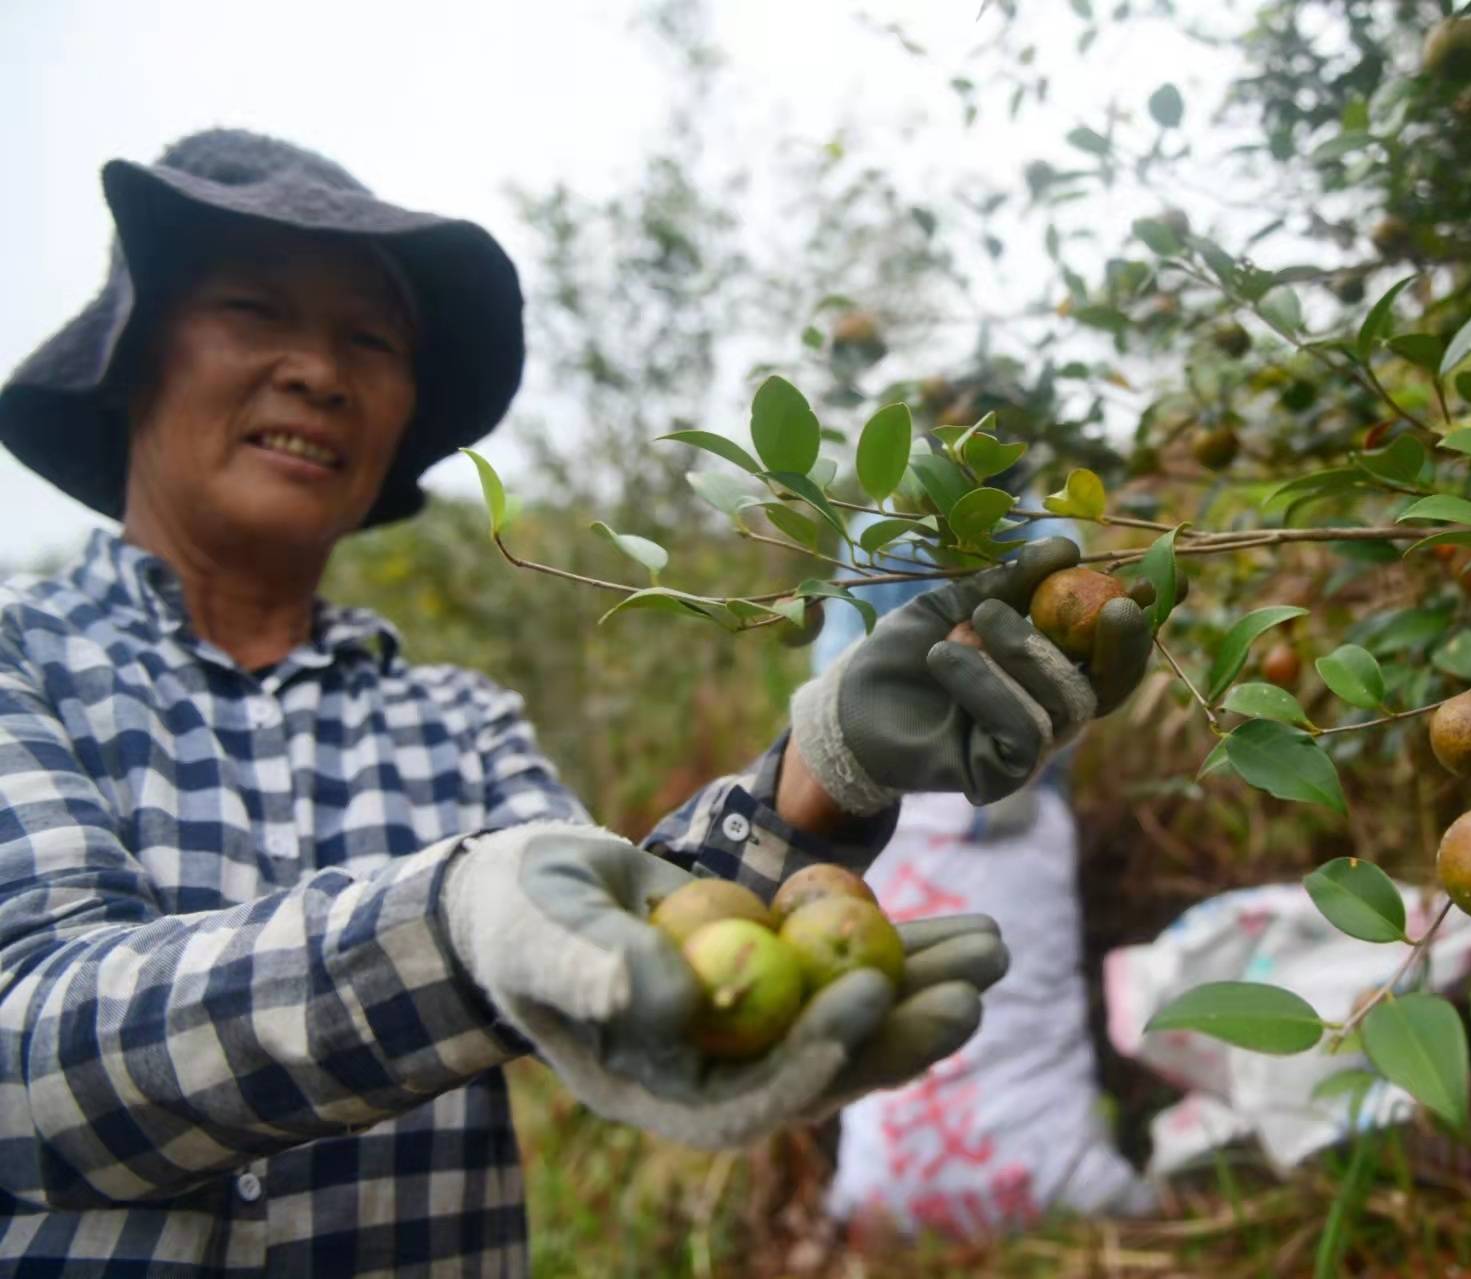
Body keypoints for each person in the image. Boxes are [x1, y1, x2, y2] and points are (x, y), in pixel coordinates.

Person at [0, 130, 1152, 1275]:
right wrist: (455, 926)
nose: (319, 371)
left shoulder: (459, 722)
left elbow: (624, 936)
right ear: (133, 355)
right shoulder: (21, 660)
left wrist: (829, 763)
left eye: (368, 338)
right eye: (254, 309)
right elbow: (25, 1066)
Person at [812, 518, 1154, 1240]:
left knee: (894, 552)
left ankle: (944, 493)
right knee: (1031, 599)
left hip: (908, 786)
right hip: (998, 787)